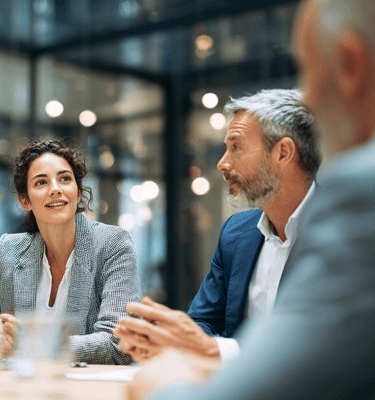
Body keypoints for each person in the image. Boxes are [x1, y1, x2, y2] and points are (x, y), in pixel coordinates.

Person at [127, 0, 375, 398]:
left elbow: (295, 371)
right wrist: (176, 341)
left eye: (309, 70)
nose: (309, 98)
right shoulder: (237, 234)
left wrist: (167, 379)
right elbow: (201, 328)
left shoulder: (356, 201)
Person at [115, 88, 320, 363]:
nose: (222, 163)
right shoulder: (236, 233)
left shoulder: (346, 229)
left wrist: (215, 350)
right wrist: (171, 340)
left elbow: (326, 344)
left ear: (282, 153)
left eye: (236, 146)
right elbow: (202, 322)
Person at [0, 139, 141, 365]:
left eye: (65, 179)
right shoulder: (10, 250)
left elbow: (119, 344)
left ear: (78, 193)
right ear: (25, 200)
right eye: (41, 182)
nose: (55, 189)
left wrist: (34, 343)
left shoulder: (112, 244)